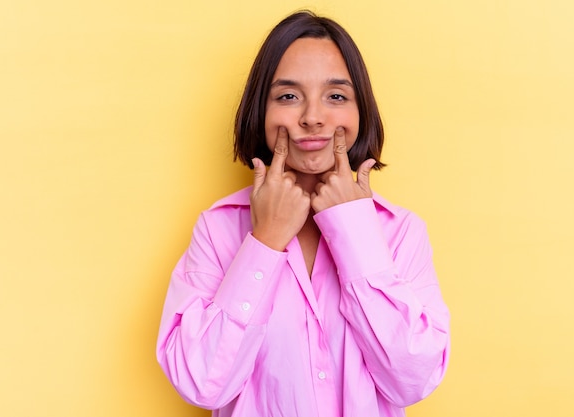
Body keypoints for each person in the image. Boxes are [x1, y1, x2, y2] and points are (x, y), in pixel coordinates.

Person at [156, 10, 450, 417]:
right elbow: (201, 384)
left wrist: (355, 233)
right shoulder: (219, 228)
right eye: (289, 96)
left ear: (360, 110)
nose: (312, 117)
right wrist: (265, 242)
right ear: (262, 110)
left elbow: (413, 379)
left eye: (336, 96)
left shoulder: (399, 232)